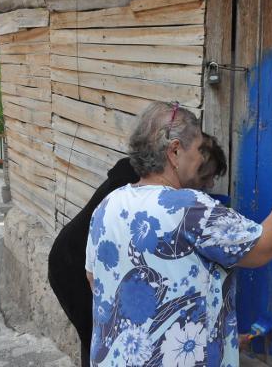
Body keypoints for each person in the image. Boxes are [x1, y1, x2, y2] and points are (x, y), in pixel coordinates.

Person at [85, 101, 272, 366]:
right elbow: (265, 246)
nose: (201, 158)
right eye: (197, 149)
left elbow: (95, 278)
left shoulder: (107, 205)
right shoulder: (190, 207)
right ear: (174, 151)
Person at [48, 133, 227, 367]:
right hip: (71, 263)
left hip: (91, 263)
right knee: (100, 336)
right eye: (204, 177)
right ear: (178, 157)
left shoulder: (151, 183)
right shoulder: (138, 189)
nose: (209, 185)